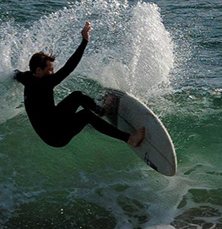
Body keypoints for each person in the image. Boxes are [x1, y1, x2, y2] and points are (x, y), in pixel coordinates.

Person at [14, 22, 139, 150]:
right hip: (56, 136)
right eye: (50, 70)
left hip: (53, 121)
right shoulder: (44, 83)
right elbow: (69, 67)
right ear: (39, 70)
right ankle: (129, 139)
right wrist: (84, 41)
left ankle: (101, 111)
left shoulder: (27, 77)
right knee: (86, 115)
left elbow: (16, 74)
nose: (53, 73)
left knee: (78, 96)